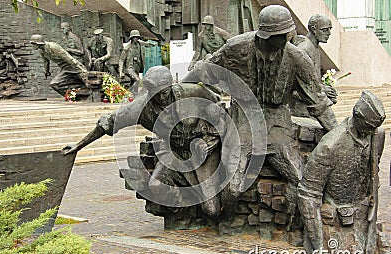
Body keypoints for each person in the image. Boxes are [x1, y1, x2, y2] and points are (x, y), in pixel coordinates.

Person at [184, 5, 338, 223]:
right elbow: (205, 70)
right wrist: (178, 91)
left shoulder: (297, 58)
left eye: (288, 34)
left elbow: (318, 102)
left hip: (276, 124)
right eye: (281, 36)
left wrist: (338, 134)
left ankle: (293, 224)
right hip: (242, 121)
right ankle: (227, 223)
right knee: (233, 187)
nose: (286, 39)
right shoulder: (236, 48)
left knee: (300, 177)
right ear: (266, 36)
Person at [63, 66, 225, 217]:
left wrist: (210, 139)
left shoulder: (192, 92)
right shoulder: (141, 108)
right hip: (173, 152)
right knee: (157, 186)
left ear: (171, 85)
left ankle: (206, 196)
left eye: (164, 92)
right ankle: (186, 212)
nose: (161, 97)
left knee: (212, 210)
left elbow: (218, 107)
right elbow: (108, 122)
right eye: (156, 93)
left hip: (202, 151)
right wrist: (79, 145)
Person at [297, 91, 385, 254]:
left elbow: (374, 174)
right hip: (333, 218)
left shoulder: (377, 134)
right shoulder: (331, 145)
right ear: (357, 116)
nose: (372, 131)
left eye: (375, 127)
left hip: (361, 214)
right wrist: (317, 243)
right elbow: (307, 193)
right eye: (368, 126)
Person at [290, 14, 338, 117]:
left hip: (311, 108)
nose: (329, 33)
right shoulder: (304, 49)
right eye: (325, 30)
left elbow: (311, 81)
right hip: (301, 111)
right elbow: (293, 88)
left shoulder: (314, 47)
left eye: (330, 29)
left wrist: (325, 89)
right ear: (313, 29)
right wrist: (321, 90)